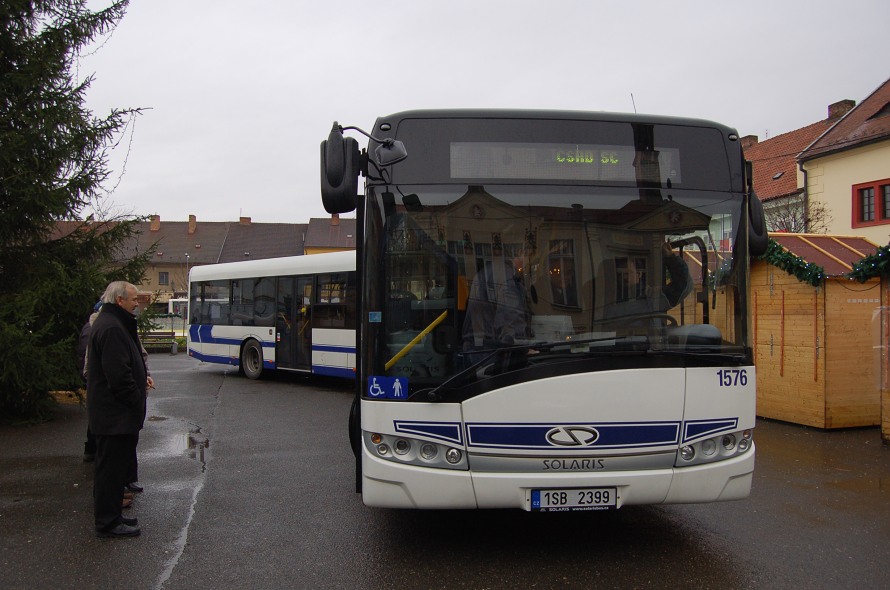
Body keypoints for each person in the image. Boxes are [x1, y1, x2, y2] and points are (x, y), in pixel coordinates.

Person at [87, 281, 148, 538]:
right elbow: (118, 376)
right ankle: (108, 522)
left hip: (113, 414)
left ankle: (113, 515)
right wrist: (135, 399)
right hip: (115, 414)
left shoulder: (112, 323)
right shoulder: (111, 327)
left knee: (113, 470)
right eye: (133, 299)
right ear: (120, 300)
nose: (137, 303)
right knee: (110, 471)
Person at [462, 255, 532, 371]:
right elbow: (511, 319)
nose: (528, 265)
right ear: (519, 254)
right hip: (490, 352)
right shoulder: (507, 277)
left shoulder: (485, 272)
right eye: (529, 258)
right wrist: (524, 348)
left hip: (474, 347)